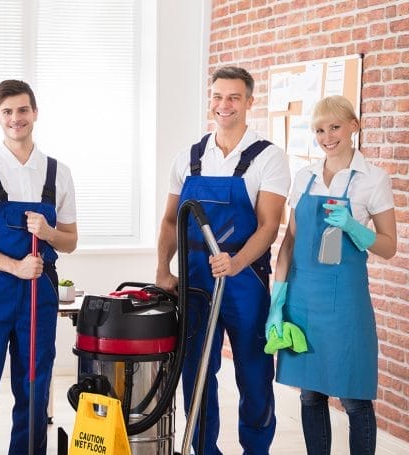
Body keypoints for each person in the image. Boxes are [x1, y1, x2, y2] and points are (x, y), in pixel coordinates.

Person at [155, 66, 290, 454]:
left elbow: (268, 226)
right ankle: (204, 450)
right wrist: (163, 269)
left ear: (249, 101)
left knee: (253, 373)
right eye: (217, 96)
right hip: (195, 282)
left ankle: (256, 449)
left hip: (244, 281)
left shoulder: (268, 158)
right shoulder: (189, 158)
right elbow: (169, 221)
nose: (223, 105)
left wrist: (236, 262)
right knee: (196, 373)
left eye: (233, 97)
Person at [0, 80, 78, 454]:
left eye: (22, 110)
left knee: (34, 384)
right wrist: (14, 266)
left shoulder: (58, 172)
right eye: (7, 112)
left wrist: (50, 232)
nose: (16, 118)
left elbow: (71, 240)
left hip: (39, 292)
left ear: (35, 113)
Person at [266, 96, 396, 454]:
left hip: (346, 303)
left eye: (335, 127)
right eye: (320, 130)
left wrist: (355, 227)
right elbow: (289, 243)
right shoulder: (304, 177)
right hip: (302, 299)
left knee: (354, 397)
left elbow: (389, 246)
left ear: (354, 126)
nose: (327, 136)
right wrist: (277, 303)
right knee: (310, 394)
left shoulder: (373, 179)